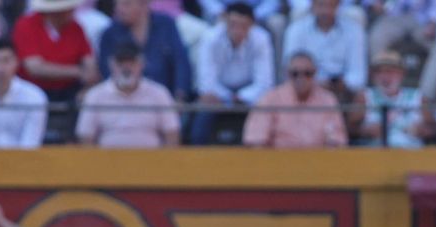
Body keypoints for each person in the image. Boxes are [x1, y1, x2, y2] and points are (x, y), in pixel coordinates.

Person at [190, 1, 272, 145]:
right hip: (217, 94)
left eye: (243, 26)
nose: (237, 30)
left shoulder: (261, 39)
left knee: (265, 109)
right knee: (204, 108)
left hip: (249, 94)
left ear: (252, 24)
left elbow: (264, 83)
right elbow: (206, 81)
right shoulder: (210, 38)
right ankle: (197, 155)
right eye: (233, 24)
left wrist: (241, 96)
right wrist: (228, 97)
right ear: (225, 21)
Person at [76, 42, 179, 147]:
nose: (126, 68)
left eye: (132, 62)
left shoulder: (159, 93)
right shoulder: (95, 95)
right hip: (107, 161)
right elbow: (86, 138)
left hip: (152, 160)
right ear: (111, 64)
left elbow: (172, 135)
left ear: (141, 64)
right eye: (120, 63)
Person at [242, 49, 346, 148]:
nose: (301, 78)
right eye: (295, 74)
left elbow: (337, 143)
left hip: (318, 162)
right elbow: (255, 142)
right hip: (278, 162)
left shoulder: (328, 100)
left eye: (307, 73)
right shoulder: (270, 99)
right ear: (287, 74)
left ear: (315, 73)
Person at [96, 0, 190, 101]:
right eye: (116, 4)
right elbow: (106, 71)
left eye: (126, 4)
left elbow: (181, 63)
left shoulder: (166, 25)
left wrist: (180, 96)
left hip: (166, 101)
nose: (118, 9)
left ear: (144, 4)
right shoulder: (110, 34)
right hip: (123, 100)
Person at [13, 0, 98, 109]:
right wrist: (78, 71)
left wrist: (88, 79)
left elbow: (89, 61)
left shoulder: (76, 28)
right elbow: (34, 68)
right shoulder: (26, 25)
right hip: (33, 90)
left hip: (70, 91)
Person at [366, 0, 436, 101]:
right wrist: (374, 3)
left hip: (423, 18)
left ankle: (424, 99)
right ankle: (379, 98)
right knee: (375, 38)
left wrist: (434, 21)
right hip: (392, 16)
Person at [282, 0, 365, 104]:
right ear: (312, 5)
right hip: (306, 87)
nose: (326, 11)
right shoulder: (296, 30)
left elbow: (358, 76)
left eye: (330, 5)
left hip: (341, 91)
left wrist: (340, 84)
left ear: (338, 5)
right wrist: (314, 83)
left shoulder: (354, 31)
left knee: (361, 98)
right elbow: (290, 69)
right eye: (321, 5)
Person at [352, 48, 432, 148]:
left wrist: (422, 131)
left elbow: (434, 128)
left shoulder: (418, 97)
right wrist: (365, 131)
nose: (385, 77)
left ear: (401, 73)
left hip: (412, 155)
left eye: (390, 71)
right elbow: (350, 129)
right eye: (380, 72)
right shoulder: (364, 96)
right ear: (373, 75)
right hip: (375, 155)